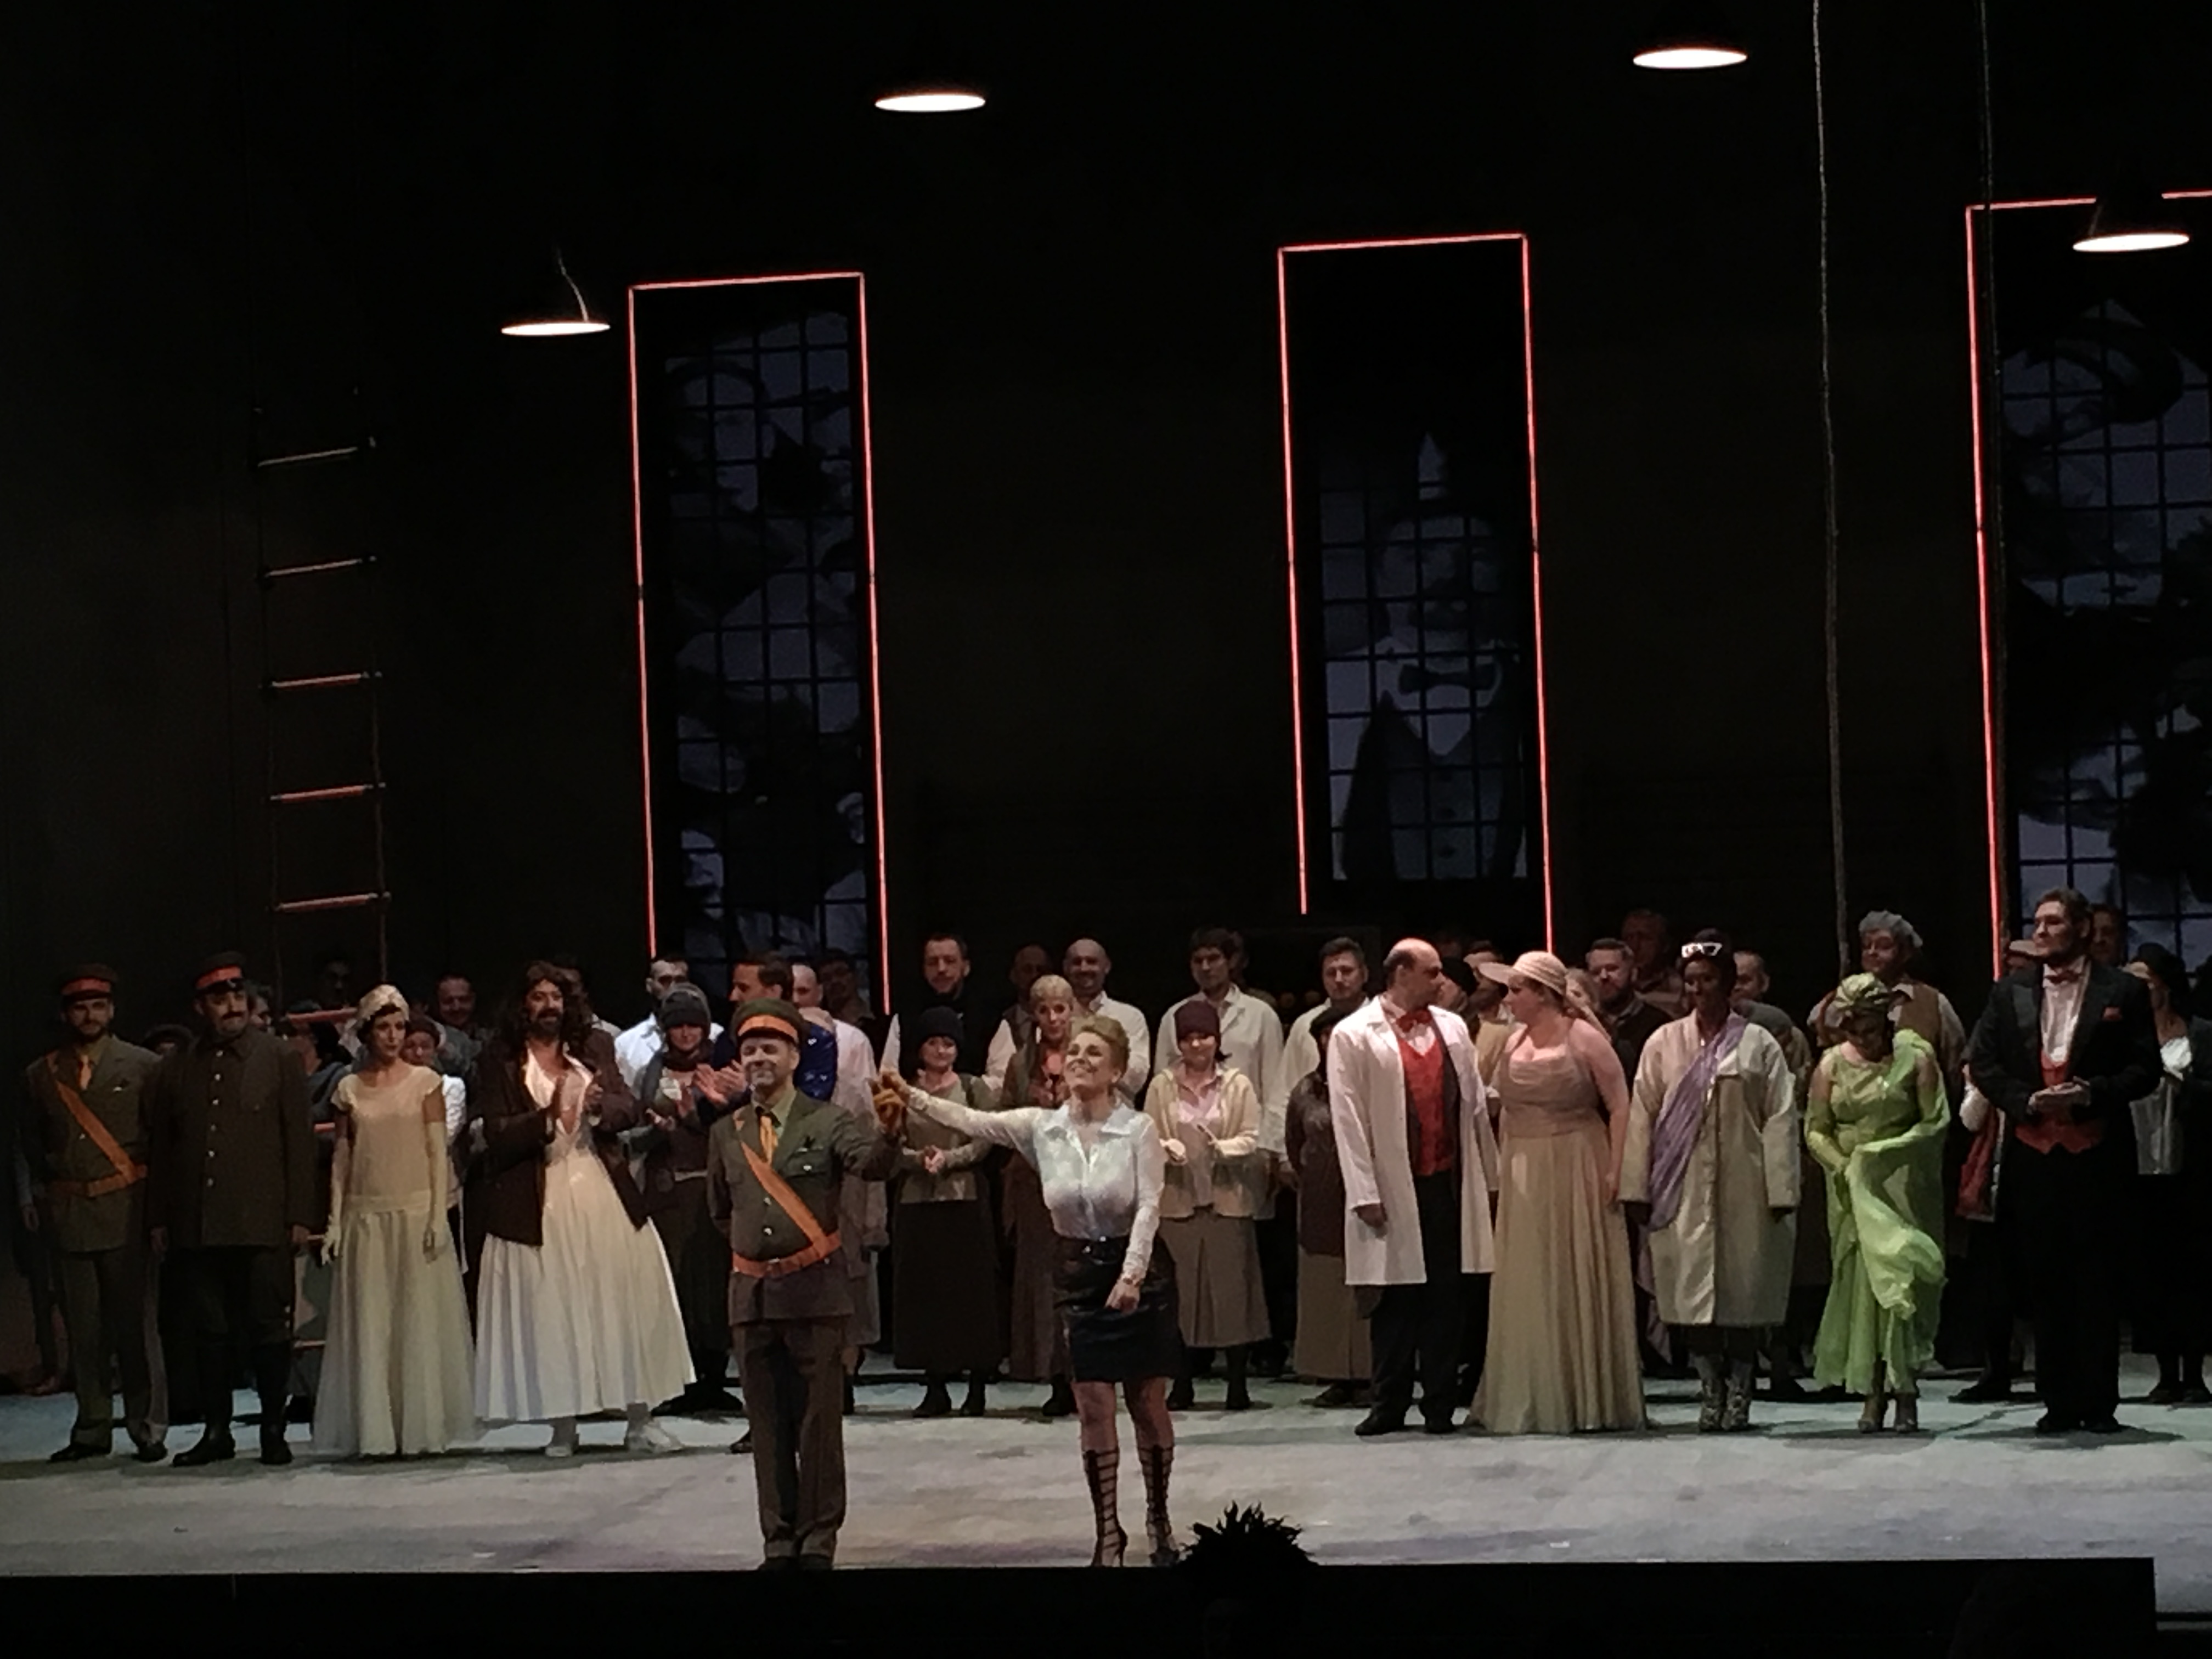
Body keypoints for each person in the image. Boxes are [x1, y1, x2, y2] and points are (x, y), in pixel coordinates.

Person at [887, 1014, 1184, 1568]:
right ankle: (1108, 1533)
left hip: (1139, 1272)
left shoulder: (1138, 1129)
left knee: (1147, 1403)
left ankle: (1159, 1519)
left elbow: (1148, 1207)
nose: (1080, 1060)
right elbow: (972, 1120)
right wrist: (909, 1095)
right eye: (1075, 1052)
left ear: (1117, 1071)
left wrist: (1132, 1276)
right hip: (1077, 1273)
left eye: (1094, 1054)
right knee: (1093, 1406)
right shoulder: (1041, 1127)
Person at [466, 962, 691, 1455]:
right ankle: (563, 1423)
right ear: (523, 1005)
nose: (550, 1006)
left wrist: (597, 1108)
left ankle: (640, 1419)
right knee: (553, 1308)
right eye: (539, 997)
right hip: (537, 1194)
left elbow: (628, 1107)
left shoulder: (595, 1047)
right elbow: (494, 1132)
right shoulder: (499, 1059)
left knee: (622, 1300)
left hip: (599, 1185)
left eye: (557, 997)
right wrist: (548, 1117)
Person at [709, 999, 902, 1570]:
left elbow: (872, 1165)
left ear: (794, 1057)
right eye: (749, 1050)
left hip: (816, 1293)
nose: (758, 1058)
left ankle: (818, 1539)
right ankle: (777, 1540)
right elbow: (722, 1212)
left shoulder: (828, 1121)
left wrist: (891, 1133)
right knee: (767, 1428)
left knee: (819, 1427)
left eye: (770, 1048)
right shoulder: (725, 1132)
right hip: (753, 1299)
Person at [1968, 888, 2159, 1434]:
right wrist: (2025, 1101)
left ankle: (2098, 1403)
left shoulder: (2122, 990)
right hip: (2034, 1155)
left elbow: (2144, 1069)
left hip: (2096, 1156)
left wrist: (2090, 1093)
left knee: (2096, 1280)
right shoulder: (2009, 992)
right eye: (2039, 922)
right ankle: (2057, 1400)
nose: (2043, 931)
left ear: (2081, 928)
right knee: (2043, 1279)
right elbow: (1984, 1063)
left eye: (2054, 922)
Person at [1618, 932, 1799, 1432]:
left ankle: (1741, 1392)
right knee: (1689, 1294)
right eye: (1692, 981)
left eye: (1708, 980)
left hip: (1746, 1185)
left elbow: (1781, 1117)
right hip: (1680, 1186)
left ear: (1727, 984)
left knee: (1743, 1294)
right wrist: (1636, 1187)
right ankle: (1709, 1390)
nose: (1698, 990)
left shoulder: (1758, 1043)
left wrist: (1782, 1188)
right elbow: (1643, 1115)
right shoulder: (1664, 1043)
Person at [146, 952, 315, 1468]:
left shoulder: (278, 1057)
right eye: (220, 999)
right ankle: (217, 1430)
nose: (233, 1006)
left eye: (239, 996)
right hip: (198, 1222)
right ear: (202, 1007)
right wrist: (159, 1217)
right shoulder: (178, 1067)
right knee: (210, 1332)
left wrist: (300, 1214)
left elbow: (299, 1142)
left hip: (261, 1219)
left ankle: (272, 1429)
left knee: (268, 1329)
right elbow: (163, 1150)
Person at [1328, 939, 1501, 1437]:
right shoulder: (1353, 1033)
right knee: (1394, 1300)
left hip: (1445, 1182)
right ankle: (1390, 1403)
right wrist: (1364, 1191)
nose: (1441, 981)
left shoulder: (1452, 1029)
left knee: (1446, 1298)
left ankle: (1440, 1404)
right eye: (1432, 972)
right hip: (1390, 1184)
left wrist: (1488, 1178)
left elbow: (1472, 1108)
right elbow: (1348, 1118)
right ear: (1401, 973)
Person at [1469, 951, 1643, 1434]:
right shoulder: (1513, 1041)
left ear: (1543, 994)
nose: (1509, 999)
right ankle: (1532, 1388)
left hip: (1576, 1160)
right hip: (1524, 1165)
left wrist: (1617, 1168)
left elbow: (1620, 1103)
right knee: (1530, 1275)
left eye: (1517, 990)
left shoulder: (1583, 1037)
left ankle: (1582, 1394)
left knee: (1571, 1266)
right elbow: (1503, 1108)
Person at [312, 985, 475, 1457]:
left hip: (415, 1211)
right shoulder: (349, 1089)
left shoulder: (425, 1083)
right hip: (367, 1214)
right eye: (383, 1027)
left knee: (415, 1320)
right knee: (373, 1322)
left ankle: (420, 1426)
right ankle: (376, 1429)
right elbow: (343, 1157)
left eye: (399, 1027)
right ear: (367, 1033)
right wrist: (336, 1219)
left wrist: (437, 1213)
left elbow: (435, 1150)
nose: (393, 1036)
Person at [18, 965, 167, 1463]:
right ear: (66, 1014)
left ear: (112, 1010)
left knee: (135, 1329)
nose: (89, 1015)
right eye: (80, 1007)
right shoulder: (40, 1075)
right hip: (71, 1213)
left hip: (127, 1211)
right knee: (84, 1331)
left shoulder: (144, 1066)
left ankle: (147, 1426)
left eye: (98, 1006)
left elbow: (161, 1142)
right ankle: (92, 1426)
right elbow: (32, 1143)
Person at [1804, 974, 1949, 1434]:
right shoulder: (1831, 1065)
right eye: (1851, 1029)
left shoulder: (1915, 1057)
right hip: (1851, 1185)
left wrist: (1884, 1152)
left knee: (1899, 1285)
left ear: (1885, 1019)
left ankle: (1905, 1390)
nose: (1861, 1038)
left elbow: (1935, 1122)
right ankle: (1872, 1391)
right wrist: (1843, 1164)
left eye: (1868, 1028)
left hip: (1901, 1179)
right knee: (1861, 1289)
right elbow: (1816, 1129)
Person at [1146, 1002, 1269, 1411]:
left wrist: (1224, 1148)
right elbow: (1146, 1136)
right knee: (1181, 1298)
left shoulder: (1237, 1084)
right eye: (1188, 1038)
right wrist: (1166, 1146)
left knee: (1232, 1295)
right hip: (1178, 1202)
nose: (1196, 1044)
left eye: (1203, 1036)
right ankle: (1182, 1383)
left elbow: (1252, 1135)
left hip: (1226, 1201)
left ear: (1217, 1039)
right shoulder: (1163, 1085)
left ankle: (1237, 1384)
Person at [626, 983, 741, 1414]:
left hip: (714, 1187)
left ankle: (714, 1377)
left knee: (714, 1285)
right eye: (679, 1026)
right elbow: (633, 1135)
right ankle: (679, 1381)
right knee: (675, 1285)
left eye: (695, 1025)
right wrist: (660, 1129)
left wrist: (697, 1114)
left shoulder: (722, 1069)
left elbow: (735, 1126)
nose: (687, 1034)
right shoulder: (651, 1073)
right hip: (667, 1192)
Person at [893, 1006, 1002, 1417]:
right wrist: (917, 1158)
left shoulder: (973, 1089)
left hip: (965, 1199)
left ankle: (977, 1387)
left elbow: (986, 1137)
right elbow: (889, 1142)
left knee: (971, 1294)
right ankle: (935, 1387)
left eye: (949, 1043)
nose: (941, 1051)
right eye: (934, 1043)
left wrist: (951, 1159)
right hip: (918, 1201)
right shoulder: (903, 1091)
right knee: (927, 1295)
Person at [2124, 945, 2212, 1404]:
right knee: (2150, 1275)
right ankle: (2165, 1373)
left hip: (2189, 1165)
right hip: (2139, 1165)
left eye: (2145, 982)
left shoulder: (2201, 1033)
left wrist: (2185, 1084)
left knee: (2192, 1272)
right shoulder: (2126, 1036)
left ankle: (2195, 1373)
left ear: (2164, 985)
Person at [1000, 974, 1081, 1416]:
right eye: (1044, 1010)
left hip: (1081, 1181)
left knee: (1078, 1276)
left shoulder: (1089, 1056)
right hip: (1034, 1185)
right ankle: (1054, 1376)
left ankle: (1084, 1374)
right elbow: (1006, 1121)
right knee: (1043, 1280)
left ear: (1072, 1011)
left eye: (1060, 1009)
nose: (1053, 1018)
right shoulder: (1020, 1063)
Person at [1283, 1008, 1369, 1404]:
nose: (1330, 1041)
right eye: (1324, 1035)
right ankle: (1337, 1376)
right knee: (1328, 1290)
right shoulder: (1305, 1091)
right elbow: (1294, 1142)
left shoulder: (1370, 1081)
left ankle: (1371, 1374)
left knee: (1365, 1289)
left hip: (1365, 1200)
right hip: (1320, 1200)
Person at [1809, 912, 1968, 1095]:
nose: (1872, 952)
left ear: (1904, 952)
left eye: (1884, 946)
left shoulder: (1931, 1002)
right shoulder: (1846, 996)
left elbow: (1954, 1064)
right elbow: (1817, 1026)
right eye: (1866, 946)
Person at [1155, 928, 1288, 1146]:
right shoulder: (1174, 1016)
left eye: (1213, 959)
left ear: (1231, 961)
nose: (1206, 967)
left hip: (1248, 1138)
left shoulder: (1260, 1015)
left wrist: (1271, 1145)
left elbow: (1275, 1087)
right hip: (1188, 1139)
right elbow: (1163, 1084)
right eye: (1198, 961)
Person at [989, 938, 1152, 1098]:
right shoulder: (1026, 1047)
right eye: (1077, 962)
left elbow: (1136, 1078)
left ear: (1107, 966)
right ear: (1065, 967)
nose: (1084, 968)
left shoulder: (1130, 1017)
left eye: (1091, 962)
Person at [880, 934, 996, 1076]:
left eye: (950, 961)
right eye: (932, 963)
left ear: (966, 967)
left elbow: (999, 1081)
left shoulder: (990, 1019)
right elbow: (888, 1075)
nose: (941, 969)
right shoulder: (904, 1019)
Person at [614, 955, 723, 1087]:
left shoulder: (718, 1037)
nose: (673, 987)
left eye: (680, 980)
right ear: (649, 985)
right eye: (665, 981)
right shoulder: (626, 1044)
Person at [1284, 938, 1370, 1088]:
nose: (1338, 979)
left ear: (1364, 974)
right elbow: (1285, 1087)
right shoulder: (1305, 1025)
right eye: (1331, 973)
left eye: (1347, 971)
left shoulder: (1384, 1022)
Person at [1587, 938, 1668, 1086]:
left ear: (1633, 973)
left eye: (1612, 969)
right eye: (1596, 972)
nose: (1604, 977)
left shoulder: (1659, 1025)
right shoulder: (1582, 1025)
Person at [1621, 909, 1684, 1015]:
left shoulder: (1682, 989)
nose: (1635, 946)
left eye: (1645, 938)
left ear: (1665, 945)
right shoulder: (1609, 985)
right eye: (1629, 938)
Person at [2089, 905, 2129, 970]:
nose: (2098, 940)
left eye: (2107, 932)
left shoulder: (2132, 975)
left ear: (2121, 939)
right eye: (2092, 933)